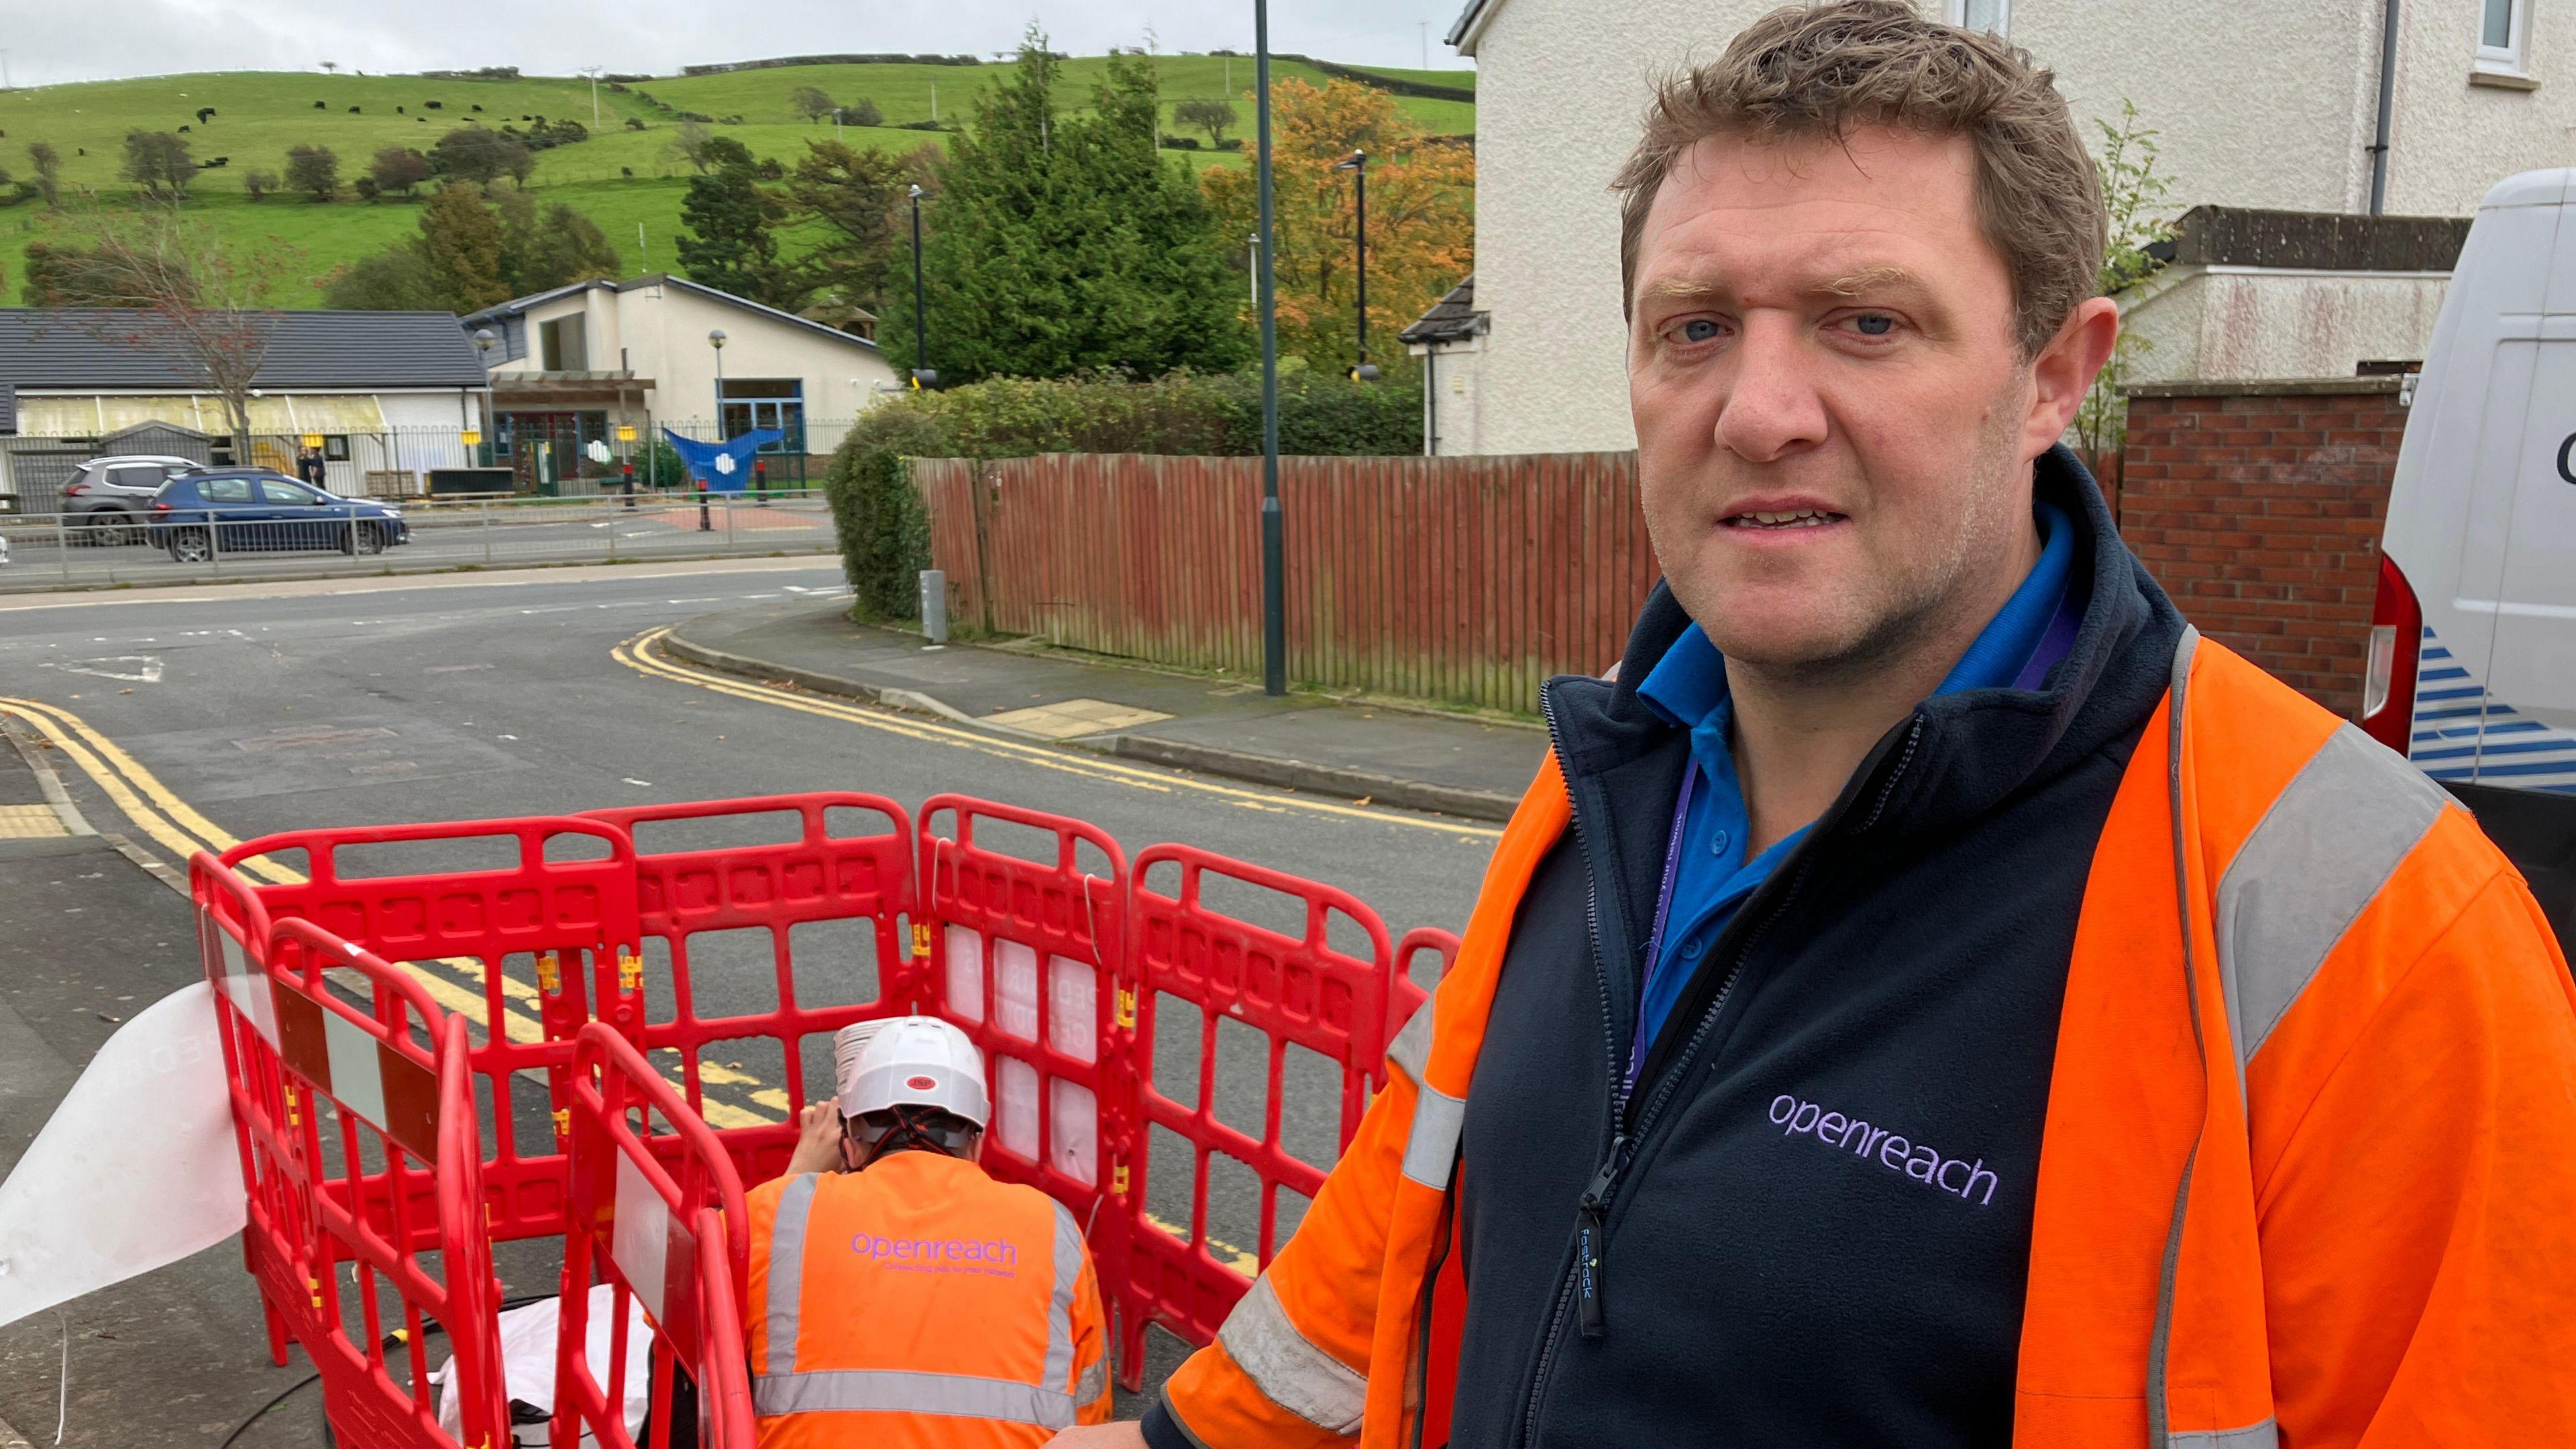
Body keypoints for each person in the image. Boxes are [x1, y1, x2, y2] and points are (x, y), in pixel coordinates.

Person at [1057, 5, 2576, 1446]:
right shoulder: (1597, 791)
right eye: (1694, 327)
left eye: (1864, 321)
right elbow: (1354, 1301)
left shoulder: (2372, 934)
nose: (1756, 409)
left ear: (2055, 374)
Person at [747, 1017, 1111, 1447]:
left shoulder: (777, 1212)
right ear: (976, 1143)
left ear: (850, 1144)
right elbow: (1091, 1414)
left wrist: (795, 1178)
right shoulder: (1052, 1227)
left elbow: (682, 1306)